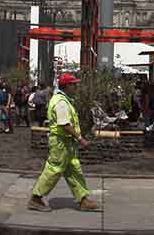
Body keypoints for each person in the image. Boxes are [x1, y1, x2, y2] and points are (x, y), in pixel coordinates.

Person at [27, 73, 101, 213]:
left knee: (74, 170)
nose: (76, 87)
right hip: (60, 143)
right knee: (54, 170)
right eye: (74, 84)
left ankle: (83, 199)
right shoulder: (61, 102)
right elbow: (64, 124)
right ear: (67, 86)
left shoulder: (64, 100)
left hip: (66, 143)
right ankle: (36, 198)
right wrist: (80, 139)